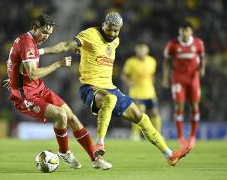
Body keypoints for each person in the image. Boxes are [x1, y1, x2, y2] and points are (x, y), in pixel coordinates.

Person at [39, 12, 189, 166]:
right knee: (110, 99)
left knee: (141, 117)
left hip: (110, 87)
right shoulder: (90, 34)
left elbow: (96, 51)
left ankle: (169, 154)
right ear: (104, 24)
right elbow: (66, 45)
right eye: (109, 29)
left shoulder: (115, 41)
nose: (112, 33)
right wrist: (41, 52)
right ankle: (100, 143)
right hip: (90, 87)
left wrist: (83, 51)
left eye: (115, 31)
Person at [5, 14, 112, 170]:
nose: (46, 37)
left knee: (73, 118)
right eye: (44, 32)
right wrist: (58, 64)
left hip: (39, 89)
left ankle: (95, 158)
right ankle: (64, 152)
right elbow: (33, 74)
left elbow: (44, 51)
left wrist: (13, 77)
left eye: (49, 34)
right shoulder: (27, 43)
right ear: (35, 27)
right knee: (60, 115)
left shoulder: (31, 41)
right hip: (25, 96)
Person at [162, 21, 206, 150]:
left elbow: (202, 57)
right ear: (179, 32)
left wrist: (202, 68)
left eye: (187, 30)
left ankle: (192, 136)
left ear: (191, 31)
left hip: (193, 78)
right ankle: (180, 137)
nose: (184, 33)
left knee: (194, 105)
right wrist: (165, 76)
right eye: (182, 30)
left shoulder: (198, 43)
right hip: (178, 79)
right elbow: (166, 61)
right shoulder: (172, 44)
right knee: (179, 105)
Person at [122, 43, 162, 141]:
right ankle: (135, 135)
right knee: (139, 113)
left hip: (150, 92)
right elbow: (124, 75)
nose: (141, 52)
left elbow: (152, 75)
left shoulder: (152, 61)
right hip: (136, 93)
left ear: (147, 50)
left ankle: (157, 134)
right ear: (136, 51)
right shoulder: (130, 62)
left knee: (155, 113)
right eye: (139, 50)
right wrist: (129, 82)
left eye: (143, 50)